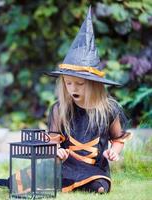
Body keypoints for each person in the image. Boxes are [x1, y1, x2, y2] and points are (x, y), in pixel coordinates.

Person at [44, 6, 131, 193]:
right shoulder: (59, 109)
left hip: (95, 168)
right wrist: (56, 151)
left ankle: (85, 183)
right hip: (66, 165)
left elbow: (118, 138)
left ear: (93, 84)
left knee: (100, 187)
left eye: (80, 84)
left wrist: (113, 152)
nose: (73, 88)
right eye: (68, 83)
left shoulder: (110, 109)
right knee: (44, 179)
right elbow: (52, 141)